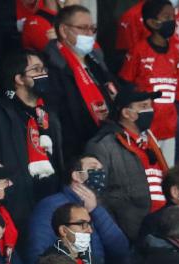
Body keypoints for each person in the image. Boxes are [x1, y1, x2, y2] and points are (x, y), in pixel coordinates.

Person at [0, 50, 64, 229]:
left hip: (52, 208)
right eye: (36, 70)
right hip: (14, 213)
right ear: (19, 79)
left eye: (44, 69)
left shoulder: (49, 117)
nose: (43, 74)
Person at [83, 84, 166, 240]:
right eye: (144, 106)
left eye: (150, 105)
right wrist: (116, 235)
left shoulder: (150, 140)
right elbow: (95, 196)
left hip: (163, 226)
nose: (150, 110)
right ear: (126, 113)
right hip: (133, 234)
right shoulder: (102, 145)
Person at [42, 7, 116, 162]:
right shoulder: (51, 66)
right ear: (64, 30)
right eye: (83, 28)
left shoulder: (96, 61)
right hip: (76, 151)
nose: (89, 34)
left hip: (107, 144)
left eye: (92, 29)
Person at [119, 0, 179, 164]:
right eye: (166, 17)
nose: (172, 21)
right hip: (146, 127)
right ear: (152, 22)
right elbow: (125, 83)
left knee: (167, 170)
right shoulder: (138, 51)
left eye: (173, 16)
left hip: (169, 128)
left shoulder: (174, 51)